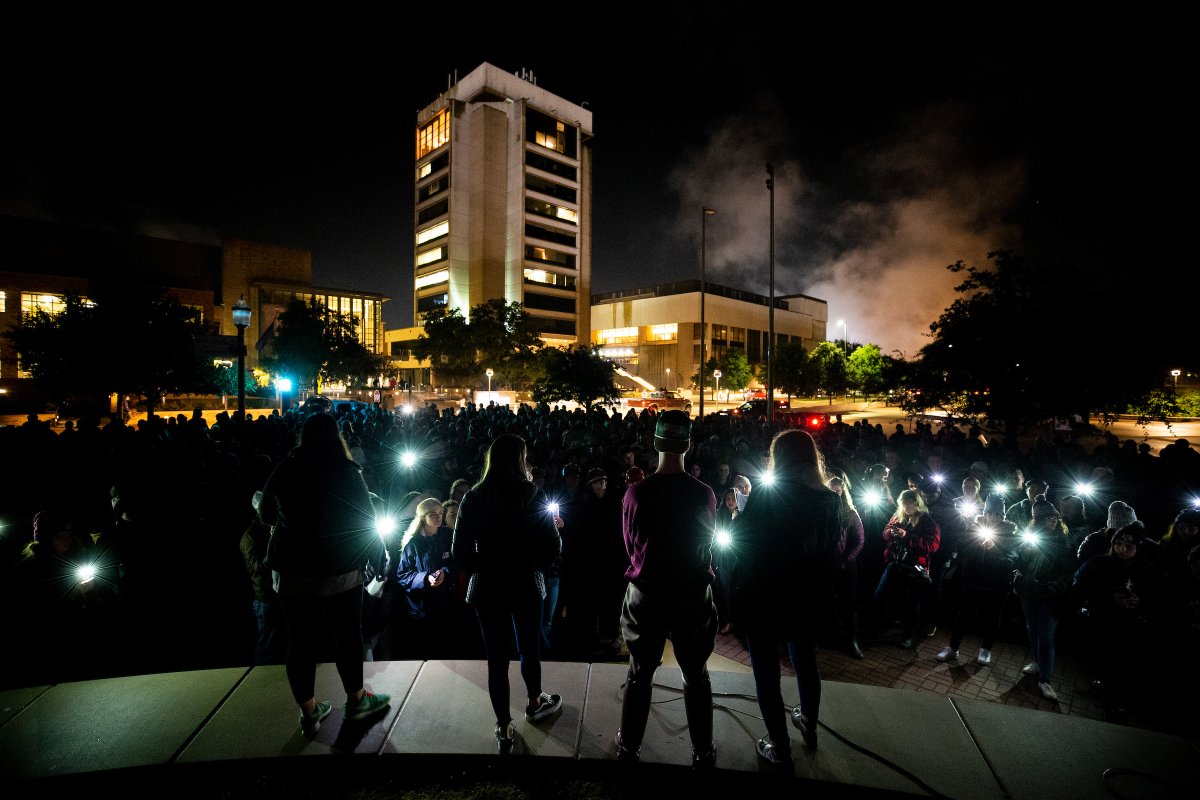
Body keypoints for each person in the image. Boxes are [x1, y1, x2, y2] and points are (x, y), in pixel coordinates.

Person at [257, 412, 391, 736]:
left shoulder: (286, 468)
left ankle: (308, 712)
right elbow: (365, 516)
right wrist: (378, 556)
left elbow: (265, 514)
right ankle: (357, 701)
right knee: (347, 635)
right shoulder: (347, 471)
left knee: (299, 642)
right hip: (340, 569)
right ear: (336, 437)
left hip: (292, 572)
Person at [613, 409, 718, 769]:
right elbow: (709, 545)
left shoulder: (635, 494)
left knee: (639, 673)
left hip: (647, 593)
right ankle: (703, 752)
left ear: (655, 443)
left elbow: (630, 546)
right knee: (696, 674)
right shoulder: (703, 494)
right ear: (688, 445)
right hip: (691, 594)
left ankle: (628, 748)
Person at [730, 429, 841, 769]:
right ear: (812, 458)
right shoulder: (829, 499)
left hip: (765, 594)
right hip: (805, 595)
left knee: (766, 672)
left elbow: (744, 540)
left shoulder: (767, 493)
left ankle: (780, 748)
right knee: (806, 660)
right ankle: (808, 724)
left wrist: (737, 520)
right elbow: (830, 551)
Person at [451, 433, 563, 753]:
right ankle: (534, 702)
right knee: (529, 648)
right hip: (526, 583)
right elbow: (553, 545)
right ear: (520, 459)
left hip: (488, 586)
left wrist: (484, 565)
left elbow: (459, 550)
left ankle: (503, 726)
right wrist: (533, 565)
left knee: (496, 659)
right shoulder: (532, 494)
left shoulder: (473, 497)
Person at [936, 494, 1017, 665]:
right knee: (963, 615)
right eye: (990, 514)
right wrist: (975, 544)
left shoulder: (1010, 534)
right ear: (985, 513)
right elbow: (963, 551)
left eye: (997, 515)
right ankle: (953, 648)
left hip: (996, 585)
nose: (992, 518)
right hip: (973, 581)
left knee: (992, 617)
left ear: (1002, 516)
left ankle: (986, 650)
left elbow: (1010, 561)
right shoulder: (974, 528)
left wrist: (993, 548)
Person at [1011, 497, 1075, 702]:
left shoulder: (1064, 541)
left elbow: (1070, 571)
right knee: (1032, 627)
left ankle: (1045, 679)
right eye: (1048, 518)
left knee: (1046, 634)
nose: (1053, 521)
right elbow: (1018, 561)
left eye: (1055, 517)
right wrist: (1020, 573)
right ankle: (1038, 663)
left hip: (1050, 595)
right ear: (1038, 520)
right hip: (1030, 592)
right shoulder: (1031, 537)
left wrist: (1055, 587)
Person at [395, 497, 472, 659]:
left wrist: (445, 572)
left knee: (449, 650)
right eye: (433, 514)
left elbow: (459, 561)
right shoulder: (414, 544)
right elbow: (402, 575)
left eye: (440, 513)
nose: (438, 517)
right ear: (423, 518)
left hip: (447, 603)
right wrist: (425, 578)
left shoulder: (448, 536)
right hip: (423, 608)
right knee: (428, 652)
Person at [871, 489, 941, 649]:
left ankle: (908, 635)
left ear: (917, 504)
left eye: (908, 504)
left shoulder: (928, 521)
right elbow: (885, 533)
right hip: (895, 562)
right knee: (880, 594)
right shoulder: (898, 516)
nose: (905, 508)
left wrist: (907, 536)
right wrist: (891, 533)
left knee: (912, 602)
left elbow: (932, 545)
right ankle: (880, 626)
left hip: (915, 566)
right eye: (903, 504)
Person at [828, 470, 866, 659]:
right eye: (831, 489)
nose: (835, 492)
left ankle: (851, 640)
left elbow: (859, 541)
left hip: (846, 565)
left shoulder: (850, 513)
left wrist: (845, 560)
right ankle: (832, 635)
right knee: (829, 601)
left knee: (848, 603)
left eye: (838, 489)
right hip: (827, 565)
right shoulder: (823, 512)